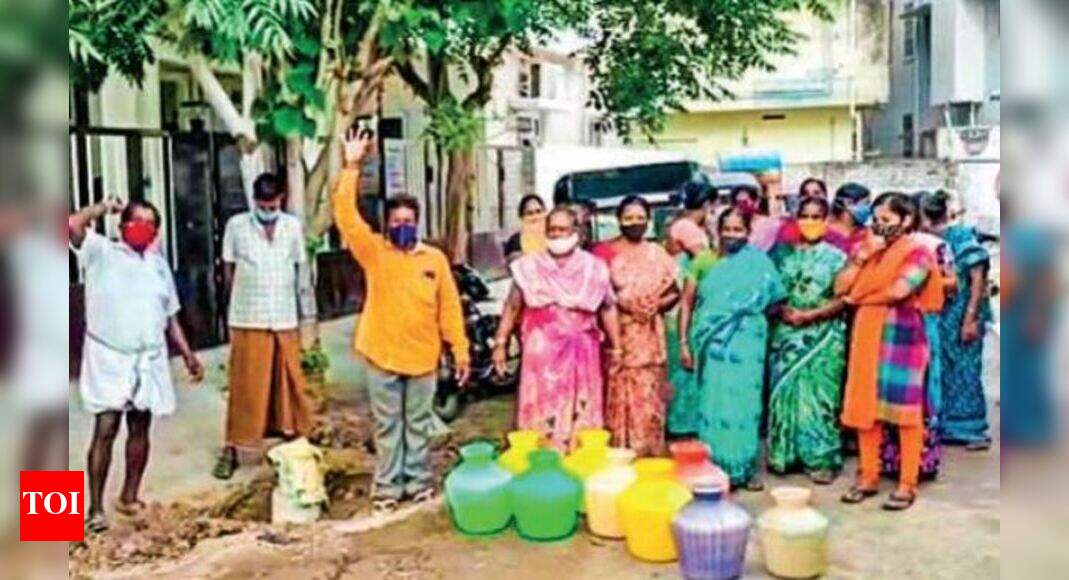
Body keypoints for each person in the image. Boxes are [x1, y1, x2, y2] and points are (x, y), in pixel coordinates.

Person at [332, 129, 471, 514]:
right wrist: (352, 165)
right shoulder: (375, 252)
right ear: (388, 224)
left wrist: (459, 351)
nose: (403, 226)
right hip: (382, 355)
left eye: (409, 220)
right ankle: (387, 489)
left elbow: (449, 310)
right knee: (388, 427)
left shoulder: (434, 260)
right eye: (397, 220)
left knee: (418, 424)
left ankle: (419, 481)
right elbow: (345, 216)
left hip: (424, 358)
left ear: (418, 222)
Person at [69, 199, 204, 532]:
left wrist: (187, 354)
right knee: (107, 428)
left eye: (149, 223)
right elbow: (71, 225)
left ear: (156, 231)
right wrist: (102, 207)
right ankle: (95, 508)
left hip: (149, 358)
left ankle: (129, 496)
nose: (142, 227)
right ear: (122, 225)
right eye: (136, 221)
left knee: (140, 427)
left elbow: (170, 316)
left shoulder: (158, 266)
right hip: (110, 358)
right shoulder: (101, 252)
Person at [836, 192, 944, 511]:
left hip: (903, 338)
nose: (879, 226)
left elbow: (900, 290)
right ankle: (868, 477)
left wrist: (857, 298)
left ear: (906, 220)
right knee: (866, 410)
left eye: (887, 220)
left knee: (905, 413)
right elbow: (840, 288)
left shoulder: (919, 252)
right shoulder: (867, 248)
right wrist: (861, 257)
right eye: (877, 220)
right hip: (867, 334)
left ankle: (907, 484)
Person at [214, 173, 318, 480]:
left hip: (284, 316)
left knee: (288, 382)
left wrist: (306, 315)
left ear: (281, 199)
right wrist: (239, 299)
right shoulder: (237, 226)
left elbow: (300, 269)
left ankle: (291, 438)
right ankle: (233, 447)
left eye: (271, 204)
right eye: (262, 204)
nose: (266, 209)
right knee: (246, 385)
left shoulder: (292, 227)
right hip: (248, 317)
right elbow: (229, 269)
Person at [493, 207, 622, 453]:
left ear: (577, 233)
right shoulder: (528, 267)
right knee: (542, 407)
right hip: (541, 354)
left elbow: (608, 308)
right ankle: (543, 460)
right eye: (552, 230)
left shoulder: (594, 268)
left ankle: (579, 458)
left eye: (563, 229)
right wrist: (500, 343)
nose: (557, 235)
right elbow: (512, 306)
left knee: (581, 407)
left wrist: (616, 347)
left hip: (582, 352)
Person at [679, 208, 786, 491]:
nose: (731, 235)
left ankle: (745, 468)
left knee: (746, 403)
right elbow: (687, 304)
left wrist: (748, 315)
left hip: (748, 342)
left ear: (748, 233)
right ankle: (714, 467)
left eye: (738, 230)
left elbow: (775, 300)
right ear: (717, 230)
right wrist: (684, 344)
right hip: (710, 343)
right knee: (714, 402)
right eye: (727, 229)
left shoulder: (759, 263)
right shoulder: (703, 262)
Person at [767, 197, 848, 485]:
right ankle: (784, 454)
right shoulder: (781, 255)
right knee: (783, 395)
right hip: (785, 335)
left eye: (817, 216)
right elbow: (768, 290)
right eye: (805, 216)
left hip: (823, 338)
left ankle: (821, 458)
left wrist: (810, 315)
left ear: (827, 221)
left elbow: (845, 299)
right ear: (795, 219)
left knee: (820, 400)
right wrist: (781, 310)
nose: (811, 222)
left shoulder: (838, 258)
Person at [592, 197, 680, 456]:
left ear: (648, 221)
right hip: (618, 334)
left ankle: (649, 450)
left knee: (650, 392)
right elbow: (596, 293)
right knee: (619, 390)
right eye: (629, 218)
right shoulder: (604, 253)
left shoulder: (657, 252)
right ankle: (621, 451)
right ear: (618, 220)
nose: (635, 223)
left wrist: (657, 304)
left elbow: (674, 291)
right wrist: (623, 303)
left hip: (651, 335)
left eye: (640, 218)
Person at [929, 193, 994, 450]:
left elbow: (978, 280)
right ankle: (948, 427)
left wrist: (969, 319)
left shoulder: (962, 238)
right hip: (942, 318)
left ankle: (973, 429)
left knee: (966, 372)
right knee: (944, 371)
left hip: (964, 314)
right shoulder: (932, 240)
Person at [665, 180, 713, 437]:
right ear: (706, 204)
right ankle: (682, 424)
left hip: (686, 298)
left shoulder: (680, 224)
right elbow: (706, 260)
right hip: (685, 300)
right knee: (684, 366)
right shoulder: (687, 227)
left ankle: (683, 421)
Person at [826, 183, 873, 255]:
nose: (869, 208)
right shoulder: (825, 233)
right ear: (848, 203)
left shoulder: (865, 232)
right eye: (866, 203)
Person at [731, 185, 781, 252]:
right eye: (737, 203)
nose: (740, 206)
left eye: (744, 202)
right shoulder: (731, 224)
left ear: (756, 202)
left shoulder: (769, 224)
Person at [502, 194, 548, 263]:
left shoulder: (553, 236)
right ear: (522, 217)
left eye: (538, 211)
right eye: (530, 213)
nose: (535, 217)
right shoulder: (515, 241)